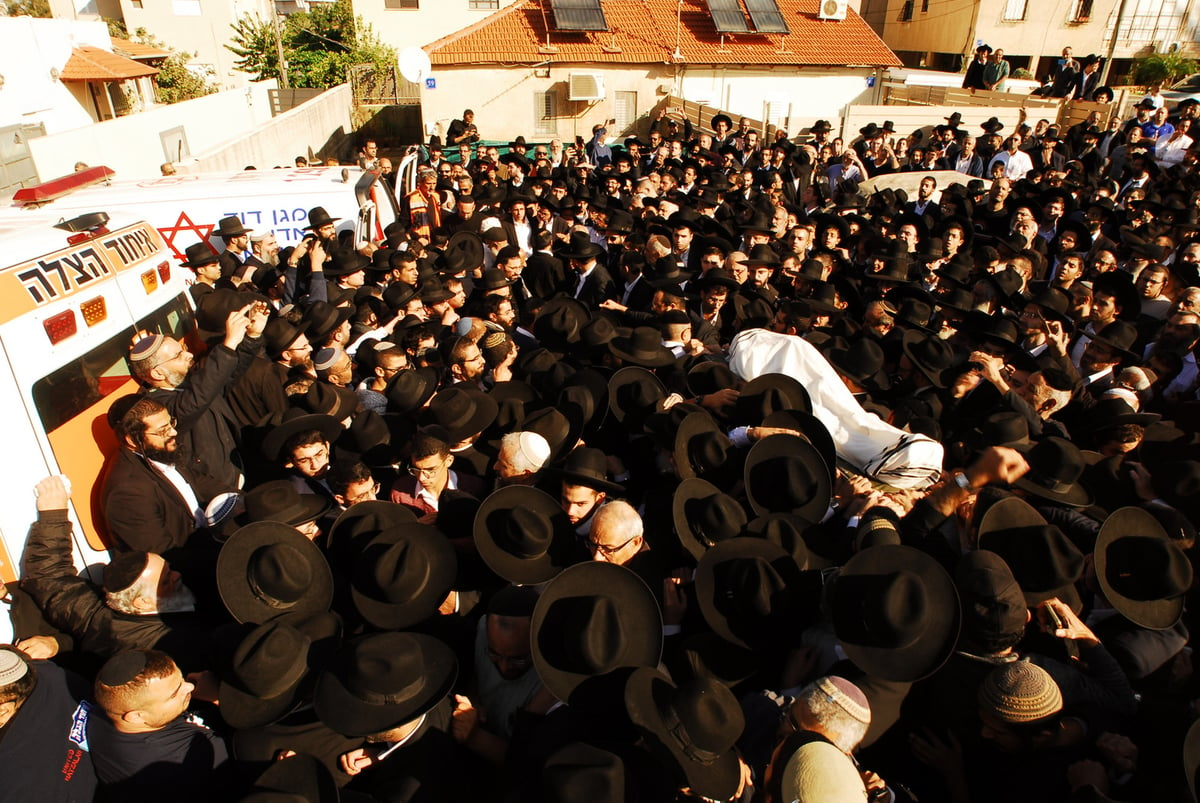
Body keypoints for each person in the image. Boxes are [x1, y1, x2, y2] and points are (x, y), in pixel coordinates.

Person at [87, 650, 233, 802]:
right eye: (174, 694)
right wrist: (222, 698)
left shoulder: (105, 713)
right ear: (136, 716)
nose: (189, 686)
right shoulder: (182, 759)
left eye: (181, 680)